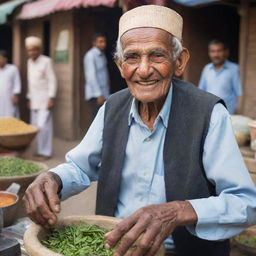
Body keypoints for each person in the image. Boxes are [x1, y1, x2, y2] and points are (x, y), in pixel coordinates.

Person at [23, 5, 256, 256]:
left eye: (157, 56)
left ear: (179, 62)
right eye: (132, 57)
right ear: (119, 64)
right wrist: (53, 179)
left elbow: (245, 203)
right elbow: (80, 167)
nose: (143, 70)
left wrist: (177, 211)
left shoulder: (208, 113)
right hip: (114, 247)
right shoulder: (112, 108)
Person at [25, 36, 57, 161]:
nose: (31, 52)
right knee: (35, 126)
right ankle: (39, 150)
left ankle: (46, 152)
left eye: (34, 50)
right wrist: (29, 98)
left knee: (44, 127)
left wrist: (51, 97)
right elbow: (30, 82)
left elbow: (52, 80)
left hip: (45, 99)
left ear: (39, 50)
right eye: (29, 50)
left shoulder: (46, 61)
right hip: (34, 100)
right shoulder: (29, 62)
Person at [199, 39, 242, 114]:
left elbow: (239, 93)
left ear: (226, 52)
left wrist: (237, 113)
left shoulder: (233, 69)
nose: (216, 54)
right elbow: (201, 91)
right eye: (213, 51)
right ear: (209, 53)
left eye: (219, 51)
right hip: (209, 112)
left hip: (227, 113)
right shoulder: (207, 68)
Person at [83, 33, 110, 119]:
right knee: (97, 119)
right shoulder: (90, 56)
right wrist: (98, 94)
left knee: (103, 118)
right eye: (100, 42)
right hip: (96, 95)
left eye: (104, 41)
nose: (103, 44)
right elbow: (91, 76)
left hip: (104, 93)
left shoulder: (102, 55)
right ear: (94, 43)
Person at [0, 50, 21, 117]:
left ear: (6, 59)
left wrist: (16, 95)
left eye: (1, 58)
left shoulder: (13, 69)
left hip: (10, 97)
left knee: (11, 114)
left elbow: (17, 82)